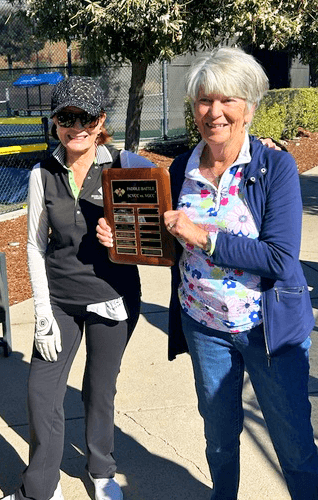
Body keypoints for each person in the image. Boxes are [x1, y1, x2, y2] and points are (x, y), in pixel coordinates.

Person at [161, 47, 318, 499]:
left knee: (293, 444)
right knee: (218, 440)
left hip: (268, 331)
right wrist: (118, 238)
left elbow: (280, 257)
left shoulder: (275, 167)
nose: (214, 112)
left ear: (250, 107)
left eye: (228, 100)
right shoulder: (180, 170)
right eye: (204, 100)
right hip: (205, 327)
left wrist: (205, 238)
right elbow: (166, 240)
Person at [2, 76, 154, 500]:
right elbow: (34, 246)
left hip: (112, 297)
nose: (76, 126)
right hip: (61, 300)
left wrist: (122, 240)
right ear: (55, 123)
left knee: (99, 390)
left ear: (101, 120)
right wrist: (42, 312)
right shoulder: (42, 172)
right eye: (66, 117)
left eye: (85, 116)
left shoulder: (125, 167)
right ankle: (41, 488)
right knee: (40, 392)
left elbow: (156, 233)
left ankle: (102, 470)